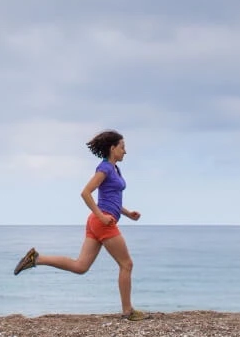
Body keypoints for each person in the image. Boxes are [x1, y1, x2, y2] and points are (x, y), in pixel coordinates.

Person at [13, 129, 146, 321]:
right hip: (102, 222)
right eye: (123, 147)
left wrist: (128, 213)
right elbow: (85, 193)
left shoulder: (115, 169)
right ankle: (128, 311)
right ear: (112, 148)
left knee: (80, 266)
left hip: (98, 221)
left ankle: (37, 259)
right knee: (127, 264)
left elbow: (111, 199)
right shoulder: (105, 168)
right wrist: (101, 217)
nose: (125, 151)